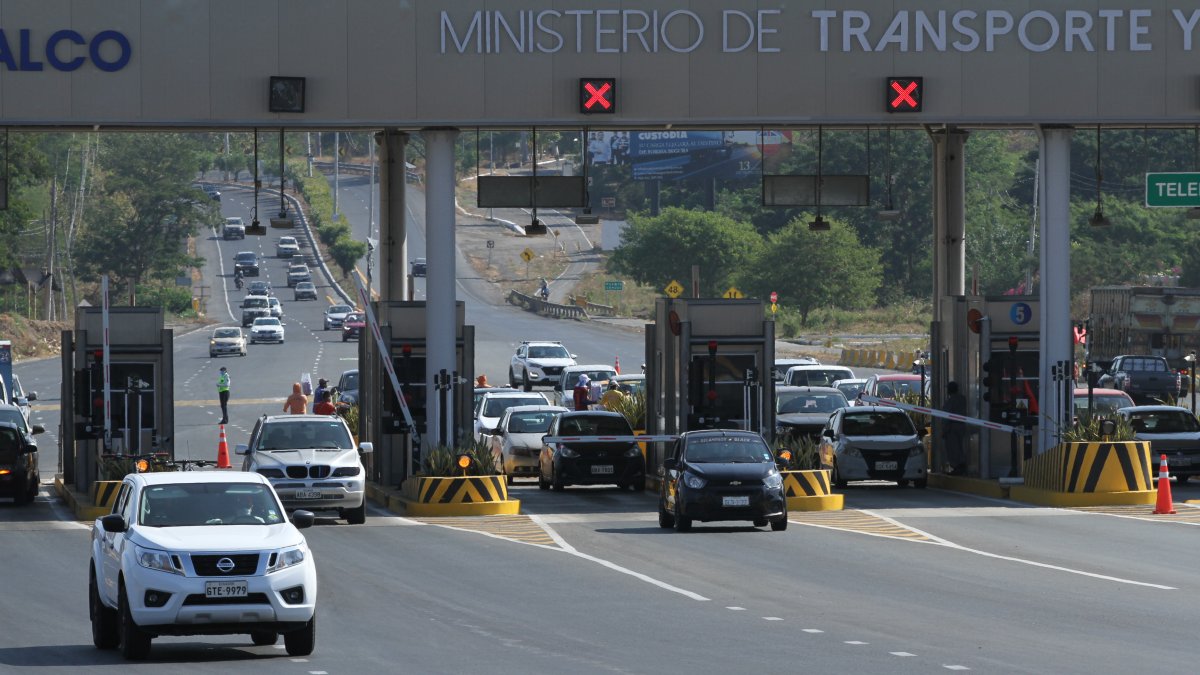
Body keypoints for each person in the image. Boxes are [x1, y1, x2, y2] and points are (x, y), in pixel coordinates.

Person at [942, 381, 968, 475]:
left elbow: (946, 417)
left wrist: (944, 430)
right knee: (960, 447)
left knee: (953, 449)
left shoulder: (950, 401)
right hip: (961, 426)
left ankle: (958, 467)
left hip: (952, 428)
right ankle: (961, 466)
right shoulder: (962, 399)